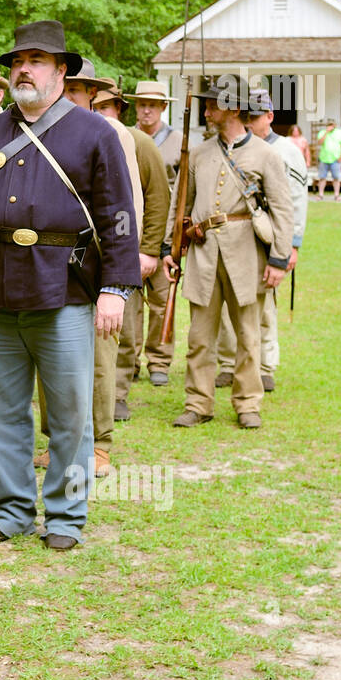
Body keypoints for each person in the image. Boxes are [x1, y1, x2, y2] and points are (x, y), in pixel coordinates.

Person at [0, 23, 139, 550]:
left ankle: (64, 516)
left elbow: (117, 215)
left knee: (70, 413)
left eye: (37, 61)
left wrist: (116, 288)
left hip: (66, 289)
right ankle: (10, 509)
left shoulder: (95, 133)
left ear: (62, 71)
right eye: (18, 61)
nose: (24, 70)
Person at [33, 60, 141, 479]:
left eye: (79, 91)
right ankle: (56, 440)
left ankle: (99, 444)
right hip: (50, 264)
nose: (72, 96)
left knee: (97, 359)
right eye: (68, 88)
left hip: (93, 261)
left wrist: (119, 273)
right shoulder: (39, 128)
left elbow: (125, 208)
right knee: (49, 356)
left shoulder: (108, 133)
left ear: (92, 94)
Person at [165, 84, 295, 430]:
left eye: (212, 107)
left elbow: (283, 209)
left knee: (248, 336)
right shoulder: (199, 153)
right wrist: (170, 248)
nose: (206, 113)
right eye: (206, 107)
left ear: (234, 110)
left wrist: (279, 259)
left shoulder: (267, 156)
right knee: (199, 338)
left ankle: (248, 402)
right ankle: (198, 402)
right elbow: (181, 205)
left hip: (246, 255)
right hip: (204, 254)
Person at [215, 89, 306, 393]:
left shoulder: (286, 151)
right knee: (229, 308)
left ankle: (265, 366)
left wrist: (291, 245)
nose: (250, 122)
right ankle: (229, 364)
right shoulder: (228, 146)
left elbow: (293, 201)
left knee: (264, 307)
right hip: (236, 238)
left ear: (270, 116)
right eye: (246, 116)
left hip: (268, 238)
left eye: (255, 117)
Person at [94, 85, 169, 426]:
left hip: (128, 250)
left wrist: (149, 250)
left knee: (124, 327)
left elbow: (157, 199)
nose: (102, 111)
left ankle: (119, 392)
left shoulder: (140, 143)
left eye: (108, 106)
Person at [125, 80, 181, 388]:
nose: (147, 110)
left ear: (163, 108)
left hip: (164, 233)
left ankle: (159, 360)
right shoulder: (123, 137)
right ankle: (129, 360)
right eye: (142, 104)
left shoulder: (178, 141)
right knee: (129, 301)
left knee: (161, 300)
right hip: (130, 231)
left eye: (153, 105)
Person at [315, 118, 341, 201]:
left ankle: (336, 195)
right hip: (324, 159)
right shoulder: (322, 132)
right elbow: (319, 142)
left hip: (335, 159)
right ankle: (320, 195)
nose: (330, 126)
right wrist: (326, 132)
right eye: (329, 125)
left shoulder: (339, 133)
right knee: (322, 178)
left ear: (335, 125)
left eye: (332, 125)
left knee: (336, 178)